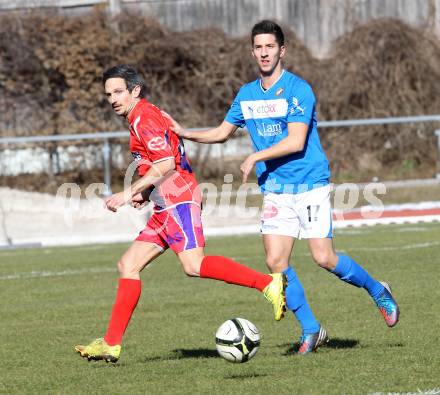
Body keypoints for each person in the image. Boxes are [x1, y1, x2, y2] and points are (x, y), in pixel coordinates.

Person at [165, 20, 400, 355]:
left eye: (270, 47)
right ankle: (311, 329)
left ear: (281, 50)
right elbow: (221, 132)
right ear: (253, 51)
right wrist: (183, 132)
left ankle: (377, 290)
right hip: (275, 189)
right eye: (258, 47)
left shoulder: (298, 89)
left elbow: (296, 140)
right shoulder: (246, 95)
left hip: (309, 184)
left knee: (324, 258)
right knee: (276, 262)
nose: (264, 53)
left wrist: (255, 155)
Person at [74, 64, 286, 363]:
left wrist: (127, 192)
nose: (112, 99)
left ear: (135, 90)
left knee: (194, 265)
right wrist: (145, 192)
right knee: (128, 264)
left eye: (118, 91)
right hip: (165, 203)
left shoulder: (144, 118)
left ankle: (268, 284)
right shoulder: (140, 115)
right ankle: (111, 343)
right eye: (108, 94)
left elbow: (167, 164)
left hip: (179, 200)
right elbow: (162, 160)